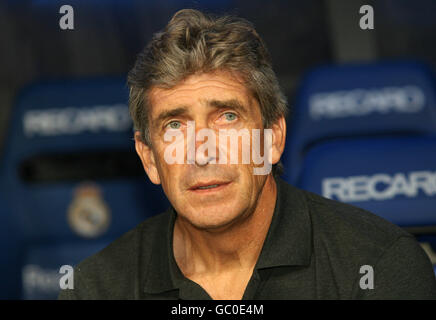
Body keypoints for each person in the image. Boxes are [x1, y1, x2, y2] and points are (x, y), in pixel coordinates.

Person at [59, 9, 436, 300]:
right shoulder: (95, 289)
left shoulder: (378, 268)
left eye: (227, 117)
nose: (201, 152)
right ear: (149, 158)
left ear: (273, 137)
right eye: (174, 125)